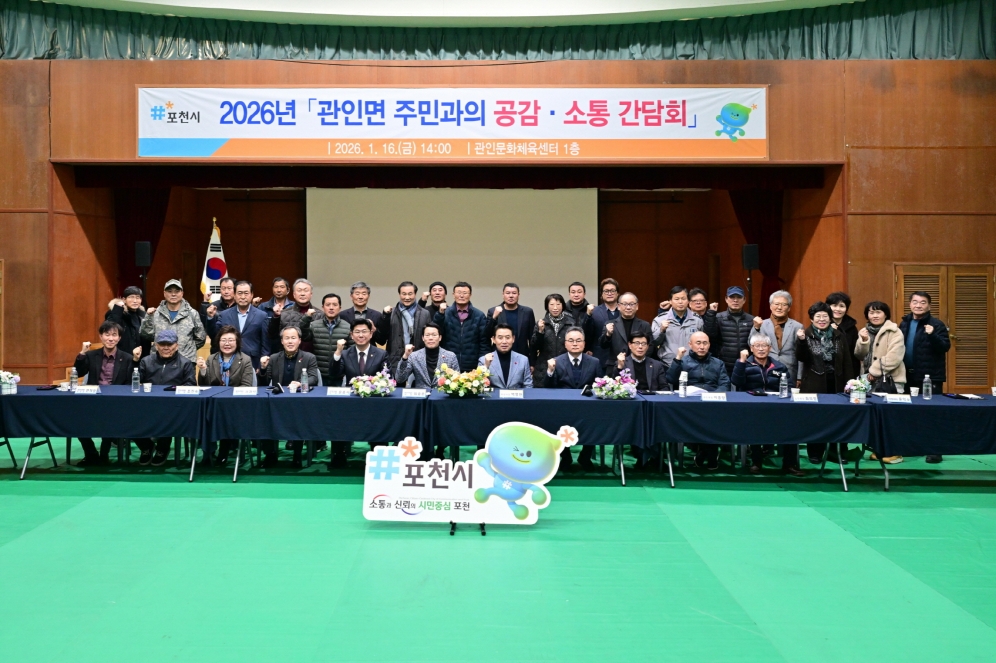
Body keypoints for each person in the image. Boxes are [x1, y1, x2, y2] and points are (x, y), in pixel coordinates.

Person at [795, 301, 857, 465]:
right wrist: (801, 341)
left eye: (825, 316)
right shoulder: (806, 334)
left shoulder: (839, 335)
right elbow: (801, 357)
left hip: (837, 383)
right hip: (813, 384)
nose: (822, 319)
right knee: (816, 419)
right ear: (811, 319)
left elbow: (847, 361)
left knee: (839, 419)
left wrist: (850, 383)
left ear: (830, 318)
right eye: (818, 316)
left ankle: (837, 452)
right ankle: (815, 452)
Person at [731, 336, 803, 476]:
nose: (761, 349)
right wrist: (741, 361)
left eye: (764, 346)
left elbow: (789, 387)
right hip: (752, 408)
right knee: (755, 424)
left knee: (792, 426)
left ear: (770, 348)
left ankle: (789, 464)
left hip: (776, 408)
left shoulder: (779, 366)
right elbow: (736, 382)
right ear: (751, 348)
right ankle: (756, 463)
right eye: (757, 346)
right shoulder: (744, 364)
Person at [72, 321, 141, 466]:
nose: (110, 338)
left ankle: (104, 455)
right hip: (93, 400)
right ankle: (91, 454)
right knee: (76, 421)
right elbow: (79, 372)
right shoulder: (91, 355)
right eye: (107, 335)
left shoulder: (127, 358)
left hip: (115, 402)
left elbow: (131, 381)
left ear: (119, 338)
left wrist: (135, 360)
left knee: (109, 420)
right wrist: (82, 353)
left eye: (114, 335)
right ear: (101, 337)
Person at [328, 319, 391, 467]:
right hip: (351, 401)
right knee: (338, 417)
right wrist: (337, 352)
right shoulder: (345, 354)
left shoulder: (381, 354)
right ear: (351, 335)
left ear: (371, 334)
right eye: (357, 332)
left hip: (374, 402)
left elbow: (388, 377)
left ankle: (378, 455)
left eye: (364, 332)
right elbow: (334, 374)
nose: (361, 335)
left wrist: (373, 385)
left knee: (381, 420)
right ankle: (339, 455)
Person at [666, 331, 731, 470]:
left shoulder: (718, 363)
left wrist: (713, 396)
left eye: (705, 343)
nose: (702, 346)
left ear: (709, 345)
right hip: (690, 404)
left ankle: (704, 452)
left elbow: (725, 384)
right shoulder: (683, 361)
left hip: (713, 403)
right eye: (698, 343)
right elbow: (670, 379)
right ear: (690, 344)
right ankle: (710, 452)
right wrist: (677, 359)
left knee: (715, 420)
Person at [899, 291, 951, 464]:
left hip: (930, 377)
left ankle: (935, 450)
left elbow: (945, 347)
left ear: (929, 306)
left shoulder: (936, 324)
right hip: (907, 376)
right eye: (915, 302)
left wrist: (933, 334)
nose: (918, 305)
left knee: (932, 413)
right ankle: (913, 447)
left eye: (923, 302)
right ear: (910, 304)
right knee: (910, 413)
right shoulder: (904, 323)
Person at [258, 326, 320, 467]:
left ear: (299, 340)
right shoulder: (274, 358)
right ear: (282, 341)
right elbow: (264, 383)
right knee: (265, 417)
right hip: (277, 403)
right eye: (287, 338)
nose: (290, 341)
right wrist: (263, 369)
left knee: (299, 419)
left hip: (299, 402)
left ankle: (297, 455)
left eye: (293, 338)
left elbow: (313, 378)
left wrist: (300, 383)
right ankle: (270, 455)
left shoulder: (309, 357)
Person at [855, 301, 906, 465]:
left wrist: (874, 372)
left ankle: (895, 452)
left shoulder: (895, 331)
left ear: (885, 314)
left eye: (878, 312)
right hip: (869, 381)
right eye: (871, 312)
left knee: (891, 417)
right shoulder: (865, 331)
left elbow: (895, 357)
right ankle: (879, 450)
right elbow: (859, 355)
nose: (874, 315)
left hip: (890, 380)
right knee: (875, 418)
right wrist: (863, 341)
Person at [545, 327, 604, 471]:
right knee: (555, 421)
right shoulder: (557, 362)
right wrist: (550, 371)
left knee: (596, 422)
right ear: (565, 344)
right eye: (571, 341)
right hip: (563, 408)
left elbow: (601, 385)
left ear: (584, 343)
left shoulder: (594, 362)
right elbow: (548, 388)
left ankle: (585, 456)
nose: (575, 344)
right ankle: (566, 457)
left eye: (578, 340)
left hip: (588, 409)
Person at [135, 329, 196, 467]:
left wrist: (174, 391)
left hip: (173, 407)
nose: (166, 347)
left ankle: (162, 449)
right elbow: (135, 382)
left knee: (168, 416)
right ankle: (146, 447)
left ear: (177, 346)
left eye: (170, 344)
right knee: (129, 416)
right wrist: (135, 362)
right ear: (156, 345)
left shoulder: (185, 363)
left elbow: (191, 384)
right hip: (147, 405)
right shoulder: (146, 361)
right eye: (162, 344)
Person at [195, 325, 255, 467]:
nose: (227, 344)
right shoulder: (211, 359)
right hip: (214, 406)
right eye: (223, 340)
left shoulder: (245, 360)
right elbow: (204, 386)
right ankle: (208, 452)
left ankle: (223, 452)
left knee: (224, 416)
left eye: (231, 340)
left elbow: (246, 386)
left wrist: (227, 397)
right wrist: (203, 371)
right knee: (204, 416)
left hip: (235, 405)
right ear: (218, 342)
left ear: (237, 342)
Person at [206, 280, 269, 368]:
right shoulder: (224, 315)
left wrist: (261, 365)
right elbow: (214, 335)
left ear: (252, 295)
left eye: (246, 293)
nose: (243, 297)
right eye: (239, 293)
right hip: (228, 360)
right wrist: (210, 318)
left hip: (253, 361)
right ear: (235, 295)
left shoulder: (262, 315)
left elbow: (265, 343)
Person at [140, 279, 206, 363]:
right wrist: (148, 318)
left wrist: (187, 349)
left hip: (185, 361)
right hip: (160, 361)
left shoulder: (192, 314)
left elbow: (201, 338)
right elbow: (146, 335)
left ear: (182, 293)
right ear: (164, 293)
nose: (173, 294)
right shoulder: (156, 313)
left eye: (177, 291)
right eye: (170, 291)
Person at [433, 281, 491, 372]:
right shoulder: (445, 313)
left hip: (472, 365)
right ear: (453, 295)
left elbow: (484, 342)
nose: (461, 296)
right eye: (459, 292)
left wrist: (482, 365)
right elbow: (435, 333)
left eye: (465, 293)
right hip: (448, 364)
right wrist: (440, 314)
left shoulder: (479, 315)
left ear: (470, 295)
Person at [750, 290, 804, 384]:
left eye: (784, 304)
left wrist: (799, 377)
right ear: (770, 306)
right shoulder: (762, 324)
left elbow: (801, 354)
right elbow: (751, 344)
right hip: (766, 370)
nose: (779, 307)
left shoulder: (797, 326)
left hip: (790, 372)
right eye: (776, 304)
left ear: (789, 308)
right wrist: (756, 328)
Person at [703, 286, 755, 376]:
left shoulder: (751, 320)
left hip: (745, 364)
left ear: (744, 300)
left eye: (739, 297)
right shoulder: (718, 317)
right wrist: (711, 313)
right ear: (726, 299)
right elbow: (709, 335)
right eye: (732, 297)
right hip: (723, 365)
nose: (735, 300)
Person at [301, 293, 351, 385]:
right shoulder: (314, 325)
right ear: (323, 307)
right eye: (328, 305)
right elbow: (304, 337)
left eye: (335, 305)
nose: (331, 308)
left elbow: (351, 353)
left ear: (340, 308)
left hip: (340, 376)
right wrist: (306, 318)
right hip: (320, 375)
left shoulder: (348, 327)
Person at [383, 281, 431, 371]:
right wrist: (385, 317)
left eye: (410, 294)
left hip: (419, 360)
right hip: (395, 360)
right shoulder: (391, 313)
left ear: (415, 294)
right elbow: (382, 337)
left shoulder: (425, 314)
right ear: (399, 295)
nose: (407, 297)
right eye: (404, 294)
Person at [395, 323, 459, 389]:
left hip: (442, 394)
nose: (430, 338)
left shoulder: (450, 356)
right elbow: (399, 379)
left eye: (434, 335)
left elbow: (457, 381)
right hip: (421, 394)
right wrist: (405, 356)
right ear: (423, 338)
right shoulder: (414, 356)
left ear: (440, 337)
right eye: (427, 335)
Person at [651, 286, 702, 369]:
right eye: (677, 299)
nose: (680, 302)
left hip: (692, 365)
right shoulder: (660, 319)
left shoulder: (697, 320)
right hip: (667, 365)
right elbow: (653, 343)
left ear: (688, 301)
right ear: (670, 301)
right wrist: (661, 330)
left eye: (683, 299)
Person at [531, 294, 575, 387]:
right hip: (544, 367)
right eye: (551, 304)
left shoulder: (571, 324)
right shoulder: (541, 323)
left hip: (565, 366)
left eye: (558, 304)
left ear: (563, 306)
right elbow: (534, 347)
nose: (555, 308)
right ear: (547, 306)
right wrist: (540, 332)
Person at [599, 292, 653, 365]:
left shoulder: (645, 325)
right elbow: (603, 345)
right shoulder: (610, 324)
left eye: (631, 304)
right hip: (615, 365)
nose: (628, 307)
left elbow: (650, 347)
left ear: (637, 306)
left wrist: (639, 360)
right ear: (618, 306)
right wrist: (608, 334)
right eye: (625, 304)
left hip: (638, 365)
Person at [485, 283, 536, 358]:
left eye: (514, 293)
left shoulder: (527, 312)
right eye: (508, 293)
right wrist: (494, 318)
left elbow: (532, 338)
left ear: (518, 295)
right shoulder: (493, 311)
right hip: (499, 355)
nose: (511, 296)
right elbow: (487, 335)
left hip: (522, 355)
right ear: (503, 295)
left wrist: (532, 360)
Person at [269, 278, 317, 354]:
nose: (302, 293)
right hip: (288, 357)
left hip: (312, 357)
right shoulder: (284, 313)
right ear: (294, 294)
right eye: (299, 290)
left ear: (311, 294)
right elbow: (272, 335)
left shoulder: (319, 314)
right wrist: (276, 317)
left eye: (306, 290)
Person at [480, 323, 533, 389]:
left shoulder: (523, 360)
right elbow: (479, 386)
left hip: (516, 395)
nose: (504, 341)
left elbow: (528, 386)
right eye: (500, 338)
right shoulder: (483, 360)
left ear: (513, 339)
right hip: (494, 395)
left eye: (508, 338)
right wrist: (485, 366)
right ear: (493, 339)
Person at [105, 286, 149, 359]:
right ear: (124, 299)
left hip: (141, 356)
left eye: (138, 298)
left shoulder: (143, 315)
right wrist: (118, 308)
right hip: (122, 357)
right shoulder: (116, 312)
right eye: (131, 297)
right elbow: (110, 327)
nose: (135, 301)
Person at [826, 291, 861, 378]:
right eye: (834, 305)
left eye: (842, 306)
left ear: (846, 309)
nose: (838, 309)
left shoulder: (851, 327)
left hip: (847, 372)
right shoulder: (821, 324)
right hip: (827, 373)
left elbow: (854, 355)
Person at [340, 281, 388, 345]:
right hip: (349, 350)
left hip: (370, 350)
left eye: (364, 294)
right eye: (357, 294)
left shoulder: (377, 315)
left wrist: (374, 330)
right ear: (351, 296)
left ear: (368, 296)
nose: (360, 297)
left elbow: (382, 341)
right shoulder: (342, 315)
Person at [590, 278, 621, 367]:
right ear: (601, 294)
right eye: (606, 291)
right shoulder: (594, 312)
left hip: (621, 357)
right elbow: (589, 334)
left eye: (612, 291)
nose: (609, 293)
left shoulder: (625, 310)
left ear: (617, 293)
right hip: (601, 357)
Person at [255, 277, 291, 344]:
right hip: (269, 344)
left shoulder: (293, 306)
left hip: (288, 343)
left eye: (282, 287)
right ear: (272, 289)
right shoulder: (263, 307)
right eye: (276, 287)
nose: (279, 290)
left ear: (288, 290)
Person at [565, 281, 597, 350]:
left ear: (584, 294)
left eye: (579, 292)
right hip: (566, 350)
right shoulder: (562, 310)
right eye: (573, 292)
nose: (576, 295)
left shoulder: (592, 310)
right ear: (569, 294)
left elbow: (594, 333)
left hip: (586, 350)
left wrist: (590, 349)